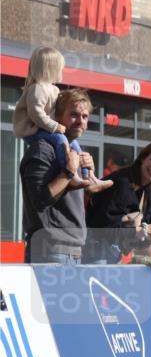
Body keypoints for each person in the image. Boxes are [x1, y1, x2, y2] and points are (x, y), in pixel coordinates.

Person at [13, 47, 111, 194]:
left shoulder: (53, 89)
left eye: (85, 116)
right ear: (49, 68)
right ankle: (71, 175)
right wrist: (55, 126)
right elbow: (36, 114)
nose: (61, 71)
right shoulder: (37, 89)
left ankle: (89, 178)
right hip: (32, 130)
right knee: (60, 139)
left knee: (76, 147)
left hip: (44, 128)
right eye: (60, 68)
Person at [19, 88, 97, 264]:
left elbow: (79, 198)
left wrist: (89, 176)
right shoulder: (43, 149)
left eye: (85, 117)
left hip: (74, 249)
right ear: (58, 116)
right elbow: (39, 201)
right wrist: (68, 172)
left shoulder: (74, 149)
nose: (80, 121)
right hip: (51, 250)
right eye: (74, 115)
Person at [85, 140, 151, 266]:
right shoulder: (122, 183)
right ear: (143, 158)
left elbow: (131, 236)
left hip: (112, 254)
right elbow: (102, 227)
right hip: (95, 253)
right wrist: (143, 230)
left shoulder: (147, 191)